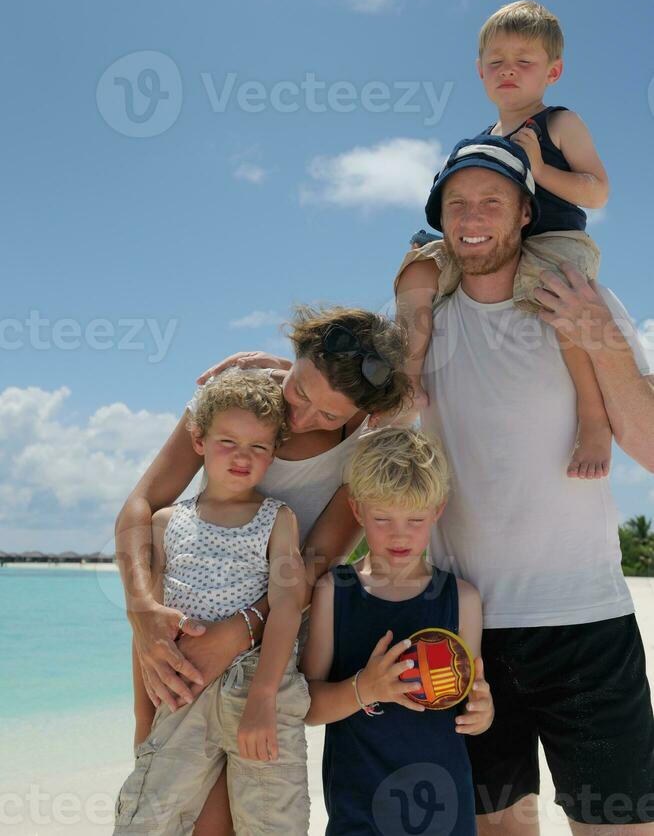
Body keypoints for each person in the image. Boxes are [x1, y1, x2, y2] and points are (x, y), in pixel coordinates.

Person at [395, 134, 654, 833]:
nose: (473, 217)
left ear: (525, 215)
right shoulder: (424, 325)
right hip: (466, 628)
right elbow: (354, 412)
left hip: (587, 622)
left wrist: (599, 333)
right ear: (439, 219)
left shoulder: (580, 303)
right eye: (457, 204)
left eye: (491, 201)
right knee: (497, 828)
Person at [114, 304, 411, 835]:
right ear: (293, 359)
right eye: (299, 391)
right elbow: (141, 506)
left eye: (327, 415)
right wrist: (141, 610)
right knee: (193, 814)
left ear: (361, 414)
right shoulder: (235, 400)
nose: (299, 419)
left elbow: (317, 562)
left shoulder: (364, 445)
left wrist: (239, 631)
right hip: (185, 624)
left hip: (271, 641)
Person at [396, 0, 612, 479]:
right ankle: (407, 377)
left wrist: (540, 169)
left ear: (552, 71)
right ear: (479, 71)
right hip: (498, 241)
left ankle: (594, 419)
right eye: (496, 62)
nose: (508, 70)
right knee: (417, 267)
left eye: (524, 61)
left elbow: (598, 191)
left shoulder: (558, 123)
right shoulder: (484, 138)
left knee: (560, 300)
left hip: (555, 240)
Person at [114, 370, 310, 834]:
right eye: (228, 442)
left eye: (259, 447)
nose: (243, 457)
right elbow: (149, 635)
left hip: (258, 684)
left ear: (274, 453)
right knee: (147, 821)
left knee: (274, 822)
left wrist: (264, 695)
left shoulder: (278, 520)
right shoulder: (165, 523)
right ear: (198, 440)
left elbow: (287, 607)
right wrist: (144, 720)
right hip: (182, 692)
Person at [302, 426, 494, 835]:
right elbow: (306, 706)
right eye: (383, 518)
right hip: (359, 805)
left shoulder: (462, 599)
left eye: (416, 519)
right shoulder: (334, 592)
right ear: (357, 512)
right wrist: (366, 689)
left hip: (444, 806)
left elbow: (472, 692)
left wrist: (483, 712)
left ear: (438, 510)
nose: (400, 534)